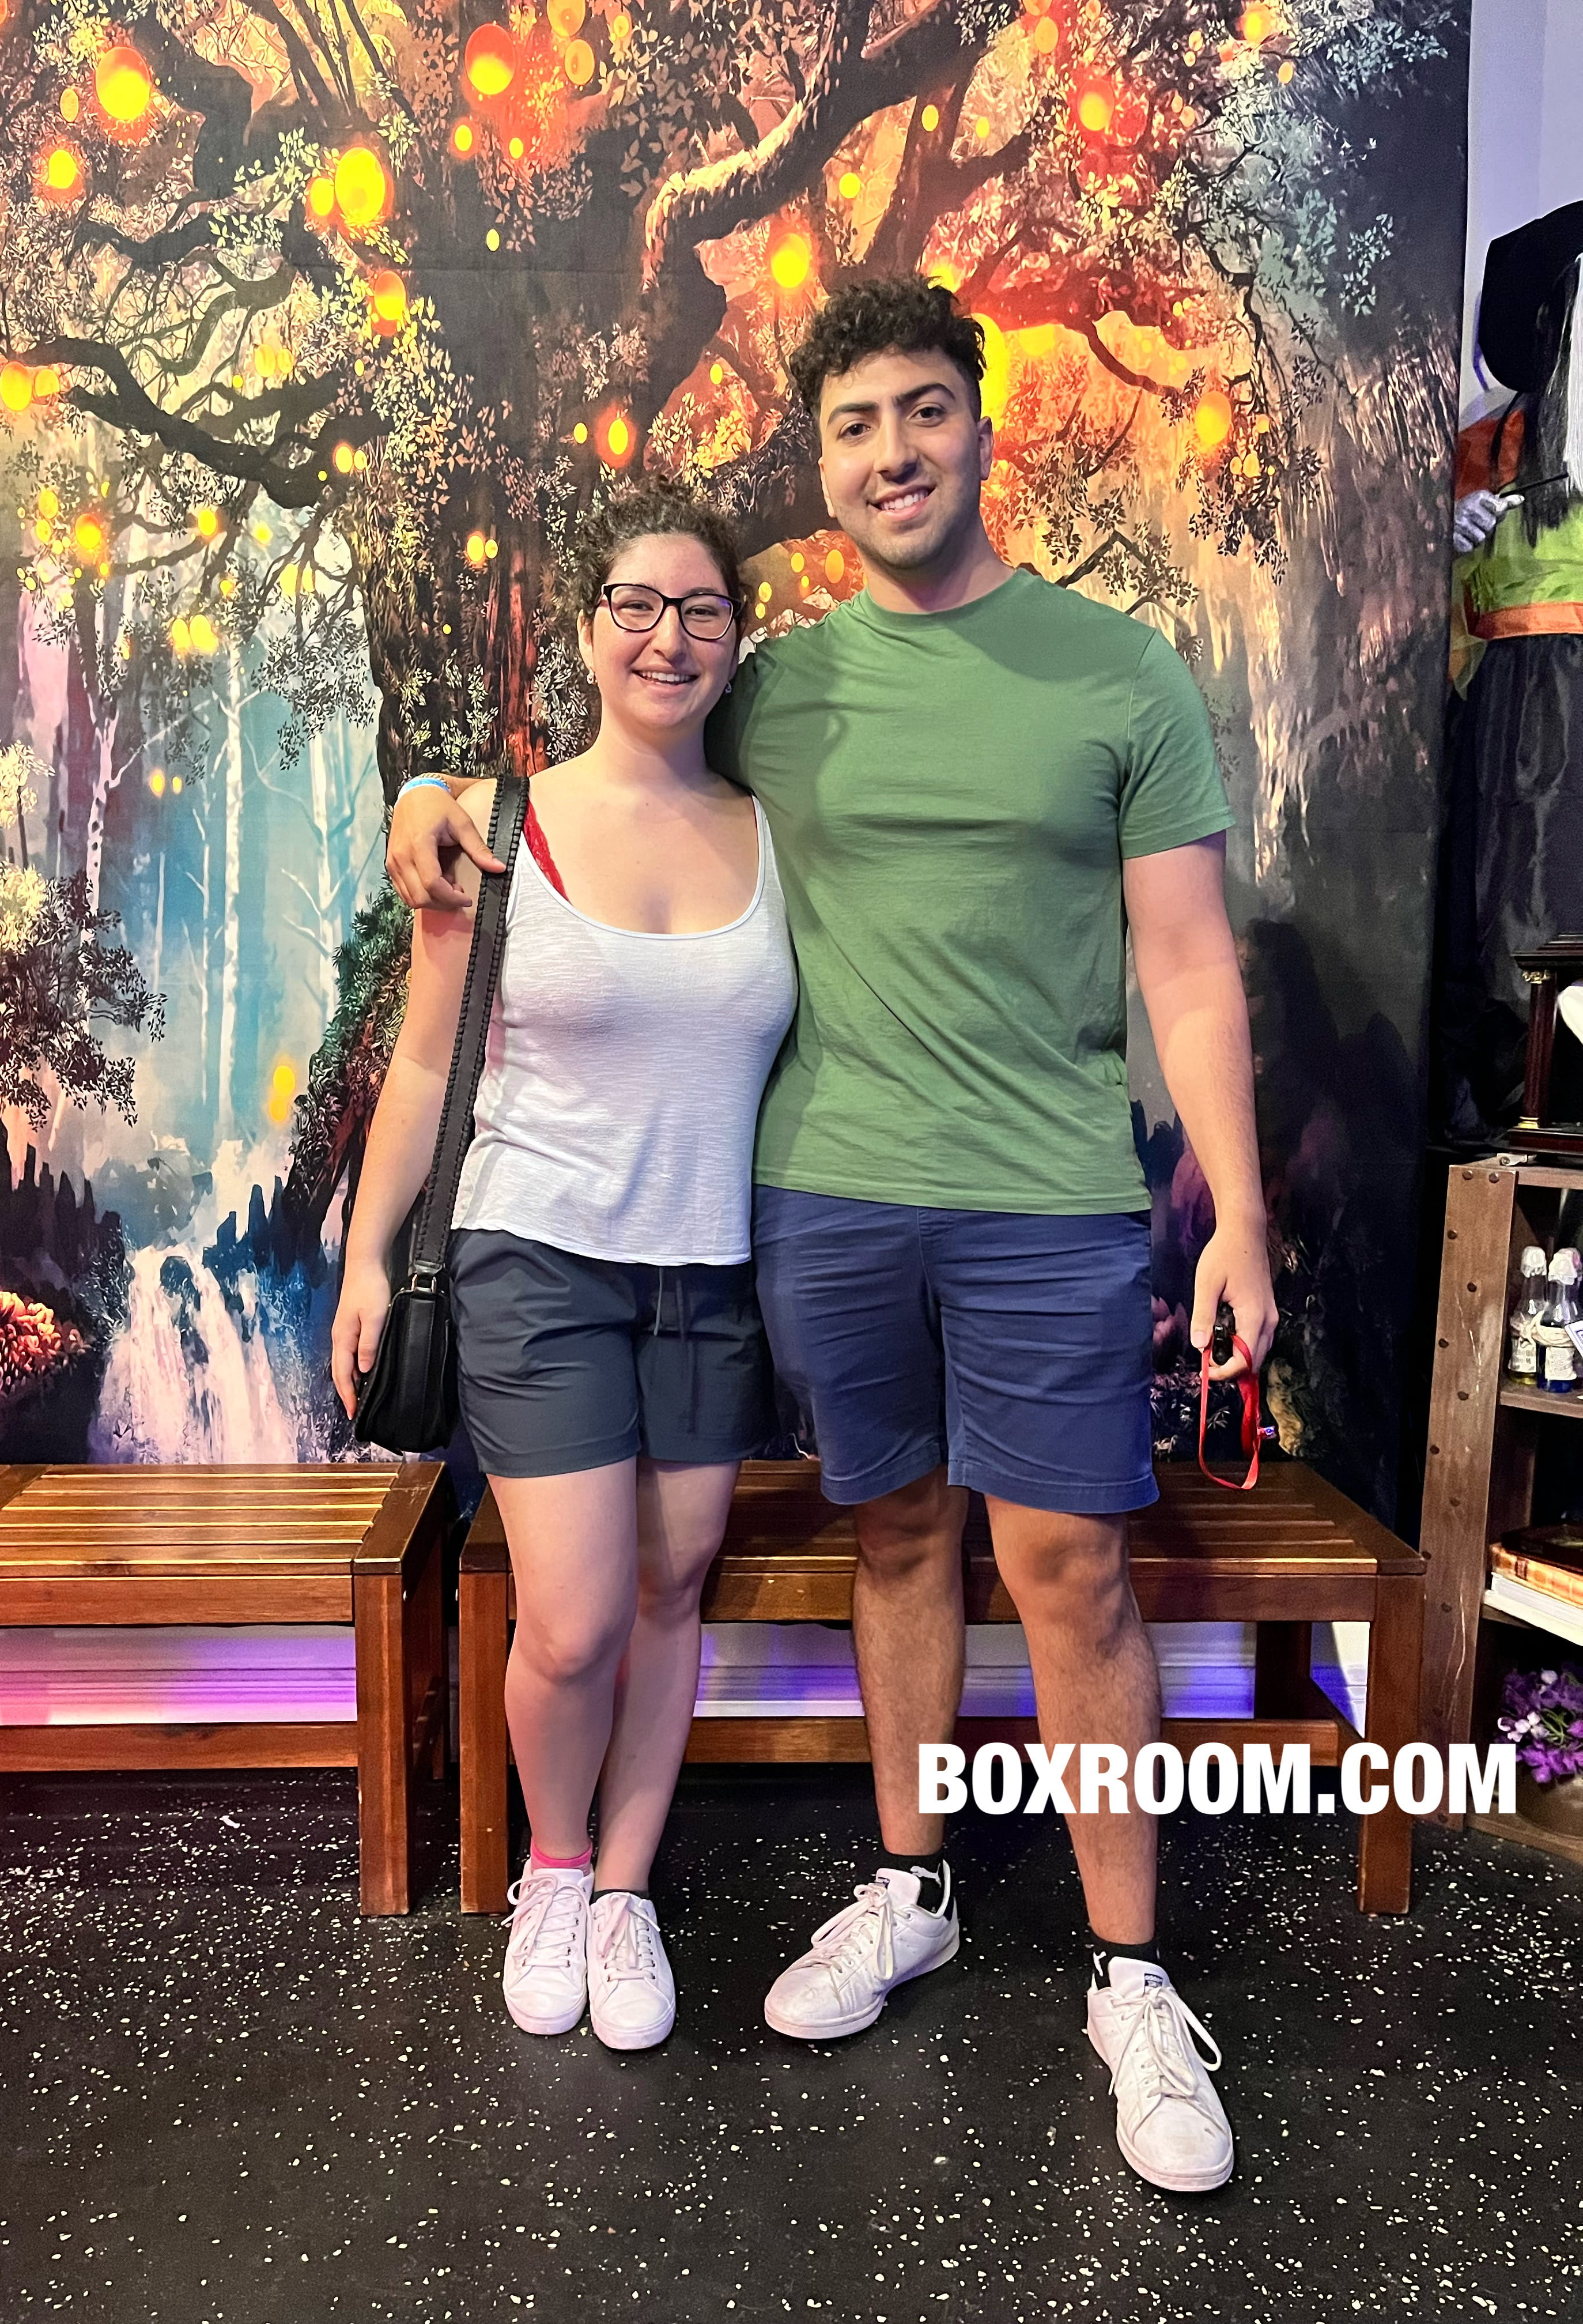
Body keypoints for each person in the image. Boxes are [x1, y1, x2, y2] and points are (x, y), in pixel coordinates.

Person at [386, 275, 1276, 2195]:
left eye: (923, 411)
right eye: (854, 424)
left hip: (1050, 1195)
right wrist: (430, 796)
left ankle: (1133, 1981)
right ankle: (908, 1886)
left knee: (1069, 1571)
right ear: (823, 461)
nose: (892, 451)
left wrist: (1239, 1216)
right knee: (896, 1539)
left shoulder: (1119, 676)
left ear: (980, 427)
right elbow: (607, 772)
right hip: (827, 1199)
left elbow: (1193, 968)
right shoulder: (775, 686)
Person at [334, 479, 796, 2052]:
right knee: (578, 1616)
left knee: (673, 1592)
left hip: (710, 1273)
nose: (669, 637)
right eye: (637, 606)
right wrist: (366, 1256)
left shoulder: (778, 836)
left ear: (736, 640)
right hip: (536, 1261)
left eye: (703, 610)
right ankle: (553, 1863)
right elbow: (423, 1062)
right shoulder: (497, 827)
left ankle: (626, 1892)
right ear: (592, 633)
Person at [1438, 203, 1583, 1147]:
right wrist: (1445, 549)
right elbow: (1437, 631)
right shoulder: (1486, 453)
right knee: (1514, 925)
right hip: (1524, 719)